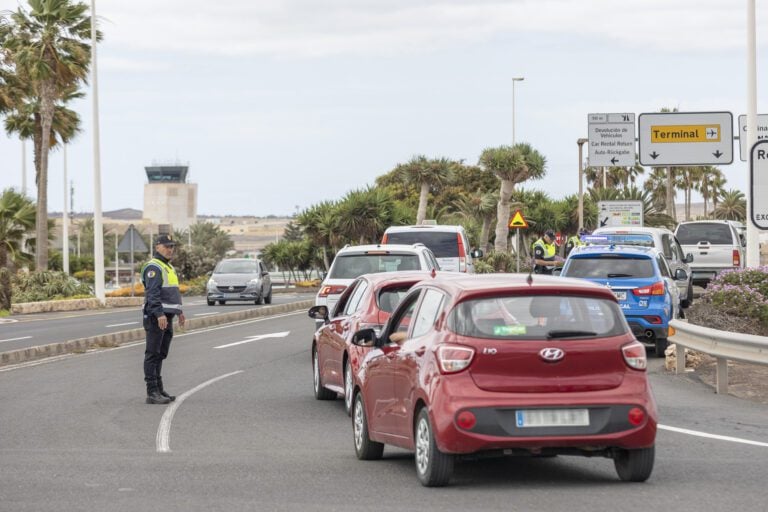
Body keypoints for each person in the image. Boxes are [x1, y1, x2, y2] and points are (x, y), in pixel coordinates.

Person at [141, 234, 185, 404]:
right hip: (156, 317)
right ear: (157, 247)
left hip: (168, 316)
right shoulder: (154, 267)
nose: (170, 249)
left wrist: (179, 311)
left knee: (161, 353)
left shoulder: (168, 267)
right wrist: (159, 314)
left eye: (172, 246)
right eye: (166, 246)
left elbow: (172, 292)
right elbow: (153, 294)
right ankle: (152, 392)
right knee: (152, 353)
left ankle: (159, 389)